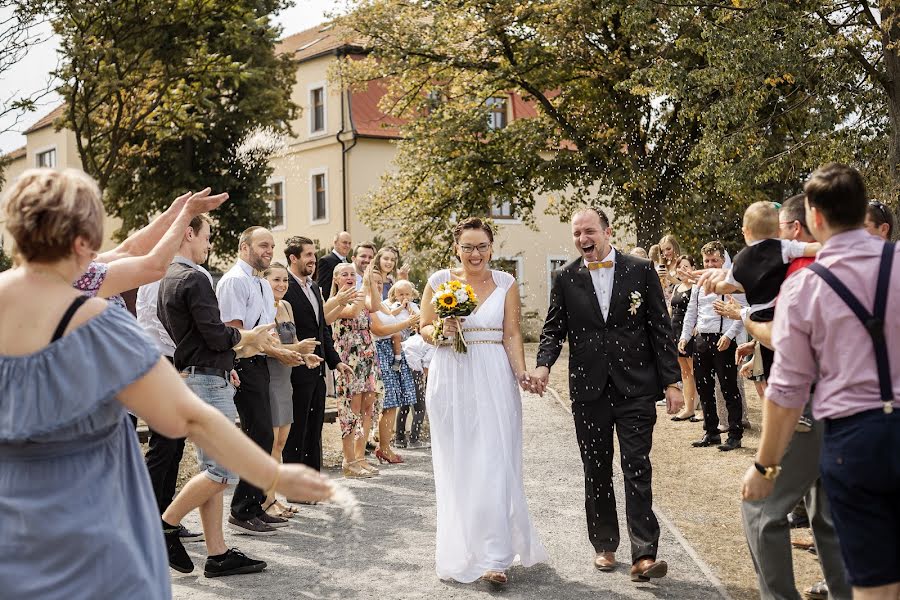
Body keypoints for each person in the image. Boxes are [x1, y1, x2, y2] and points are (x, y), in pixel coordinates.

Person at [0, 168, 332, 597]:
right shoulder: (94, 321)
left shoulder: (47, 287)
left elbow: (131, 250)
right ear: (82, 240)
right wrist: (272, 472)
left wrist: (179, 212)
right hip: (84, 515)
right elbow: (190, 417)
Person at [743, 164, 900, 600]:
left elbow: (788, 390)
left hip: (856, 439)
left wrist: (765, 466)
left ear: (813, 217)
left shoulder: (806, 288)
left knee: (875, 582)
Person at [530, 208, 682, 582]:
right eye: (577, 234)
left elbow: (660, 329)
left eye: (590, 232)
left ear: (607, 232)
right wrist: (544, 365)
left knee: (637, 466)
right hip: (588, 390)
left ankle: (644, 555)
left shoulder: (640, 269)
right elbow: (553, 329)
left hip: (635, 387)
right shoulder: (565, 277)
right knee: (596, 468)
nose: (583, 239)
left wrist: (673, 382)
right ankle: (604, 545)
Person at [712, 194, 852, 600]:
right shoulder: (829, 264)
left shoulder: (803, 273)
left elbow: (787, 342)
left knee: (759, 509)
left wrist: (747, 319)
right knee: (824, 516)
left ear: (795, 228)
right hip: (842, 407)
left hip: (808, 405)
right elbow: (741, 278)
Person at [421, 217, 548, 585]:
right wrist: (441, 332)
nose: (475, 254)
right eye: (467, 247)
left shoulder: (506, 283)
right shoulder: (438, 282)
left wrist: (521, 372)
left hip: (493, 374)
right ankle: (463, 549)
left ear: (491, 248)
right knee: (459, 460)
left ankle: (496, 557)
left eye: (481, 247)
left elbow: (511, 333)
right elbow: (423, 327)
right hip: (452, 375)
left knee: (495, 459)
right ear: (456, 249)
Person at [216, 226, 305, 534]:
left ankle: (254, 505)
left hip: (261, 364)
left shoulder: (263, 286)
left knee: (263, 436)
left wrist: (284, 353)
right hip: (243, 365)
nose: (269, 250)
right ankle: (241, 510)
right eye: (263, 245)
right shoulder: (233, 282)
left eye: (272, 245)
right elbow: (235, 334)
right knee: (260, 436)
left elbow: (265, 333)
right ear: (244, 248)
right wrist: (274, 353)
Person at [702, 201, 819, 378]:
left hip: (757, 316)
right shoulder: (784, 247)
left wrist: (710, 284)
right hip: (777, 315)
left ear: (746, 232)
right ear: (776, 231)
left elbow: (725, 286)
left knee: (773, 376)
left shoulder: (740, 260)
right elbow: (816, 248)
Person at [74, 188, 228, 308]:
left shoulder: (81, 267)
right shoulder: (79, 276)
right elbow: (154, 267)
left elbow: (130, 250)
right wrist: (187, 214)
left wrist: (172, 215)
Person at [136, 274, 202, 543]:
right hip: (160, 360)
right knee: (162, 445)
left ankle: (165, 519)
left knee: (175, 445)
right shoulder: (154, 279)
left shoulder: (174, 273)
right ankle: (149, 522)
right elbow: (158, 321)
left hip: (177, 359)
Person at [282, 236, 353, 480]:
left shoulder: (313, 287)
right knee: (297, 429)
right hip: (295, 368)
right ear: (293, 258)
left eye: (314, 254)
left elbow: (322, 328)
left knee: (314, 428)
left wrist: (335, 361)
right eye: (308, 255)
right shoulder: (284, 287)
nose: (313, 260)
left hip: (319, 368)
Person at [262, 262, 323, 518]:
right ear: (265, 282)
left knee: (282, 441)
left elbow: (294, 342)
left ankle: (274, 498)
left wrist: (306, 356)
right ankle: (267, 501)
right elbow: (270, 346)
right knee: (271, 442)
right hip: (268, 376)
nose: (281, 285)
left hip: (286, 376)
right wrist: (299, 350)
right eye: (276, 280)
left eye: (284, 281)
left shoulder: (286, 306)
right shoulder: (263, 309)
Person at [679, 241, 747, 451]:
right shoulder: (700, 285)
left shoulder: (731, 283)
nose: (710, 264)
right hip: (702, 339)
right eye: (707, 261)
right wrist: (685, 336)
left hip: (723, 339)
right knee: (704, 387)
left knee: (728, 388)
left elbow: (741, 310)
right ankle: (711, 431)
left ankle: (735, 433)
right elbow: (692, 311)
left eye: (714, 260)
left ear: (722, 260)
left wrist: (729, 335)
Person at [369, 267, 419, 464]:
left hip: (393, 352)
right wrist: (407, 323)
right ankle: (382, 447)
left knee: (393, 403)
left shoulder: (382, 305)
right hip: (381, 351)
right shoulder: (372, 305)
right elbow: (380, 331)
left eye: (380, 282)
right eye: (374, 283)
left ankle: (385, 447)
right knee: (387, 402)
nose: (378, 286)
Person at [669, 254, 699, 421]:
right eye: (680, 267)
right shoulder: (676, 287)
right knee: (685, 372)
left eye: (686, 266)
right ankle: (688, 408)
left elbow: (699, 309)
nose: (683, 270)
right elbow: (671, 311)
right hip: (675, 331)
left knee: (696, 370)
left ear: (693, 269)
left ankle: (701, 408)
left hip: (691, 332)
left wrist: (695, 328)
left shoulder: (696, 287)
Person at [317, 231, 352, 301]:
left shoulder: (348, 261)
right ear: (335, 243)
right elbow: (323, 288)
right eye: (344, 243)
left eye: (349, 243)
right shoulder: (326, 261)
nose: (347, 246)